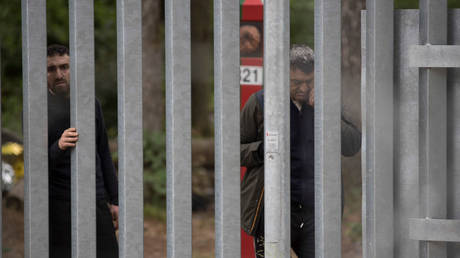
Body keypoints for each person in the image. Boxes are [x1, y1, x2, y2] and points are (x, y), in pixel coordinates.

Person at [240, 44, 361, 258]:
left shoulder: (329, 101)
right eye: (296, 83)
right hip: (272, 208)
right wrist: (262, 150)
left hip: (317, 210)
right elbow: (233, 150)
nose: (304, 89)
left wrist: (326, 112)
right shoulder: (260, 103)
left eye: (309, 82)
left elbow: (352, 145)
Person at [47, 44, 119, 258]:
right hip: (60, 204)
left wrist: (115, 200)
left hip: (95, 201)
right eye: (52, 69)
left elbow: (103, 152)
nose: (59, 74)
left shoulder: (91, 104)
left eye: (64, 67)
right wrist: (58, 147)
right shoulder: (37, 109)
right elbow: (34, 165)